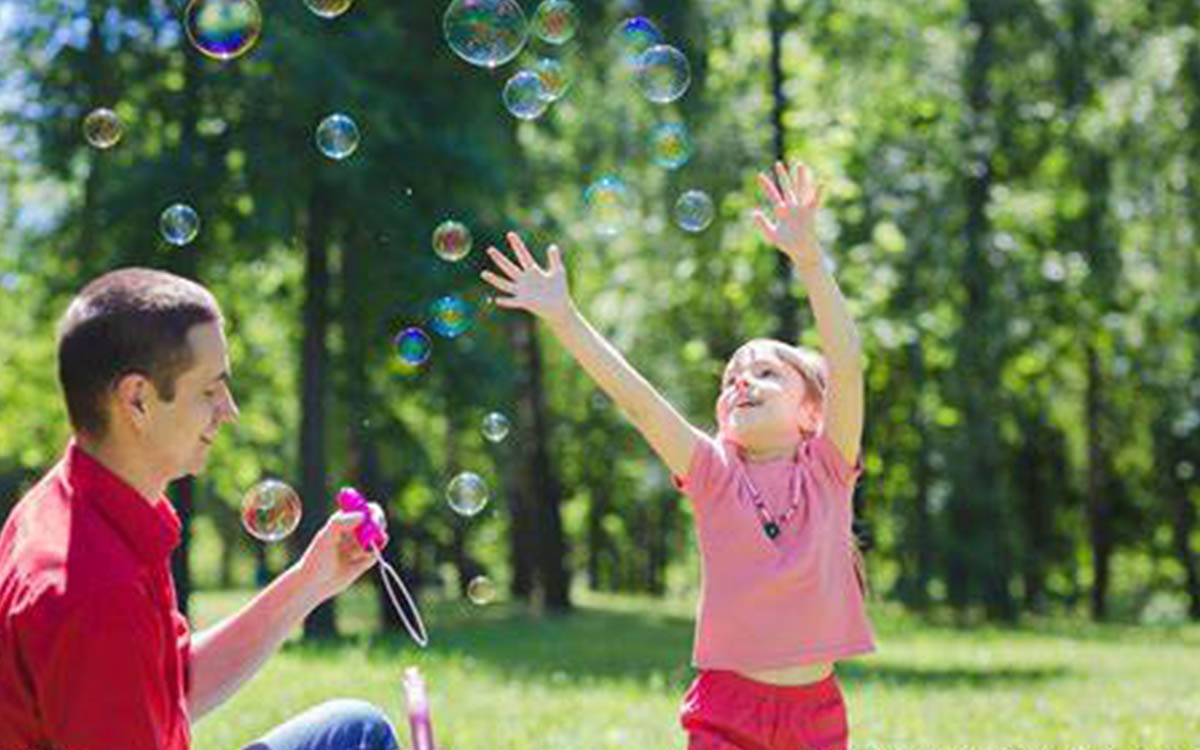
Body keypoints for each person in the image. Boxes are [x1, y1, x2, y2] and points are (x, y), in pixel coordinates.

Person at [481, 162, 875, 750]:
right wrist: (564, 317)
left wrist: (810, 260)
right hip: (727, 709)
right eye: (731, 377)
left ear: (811, 414)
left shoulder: (826, 470)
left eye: (765, 372)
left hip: (815, 716)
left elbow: (845, 365)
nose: (741, 382)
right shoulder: (715, 474)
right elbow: (640, 403)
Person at [0, 268, 399, 750]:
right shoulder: (95, 591)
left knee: (354, 728)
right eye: (209, 390)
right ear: (138, 400)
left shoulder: (79, 505)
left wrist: (311, 579)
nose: (229, 410)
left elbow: (170, 685)